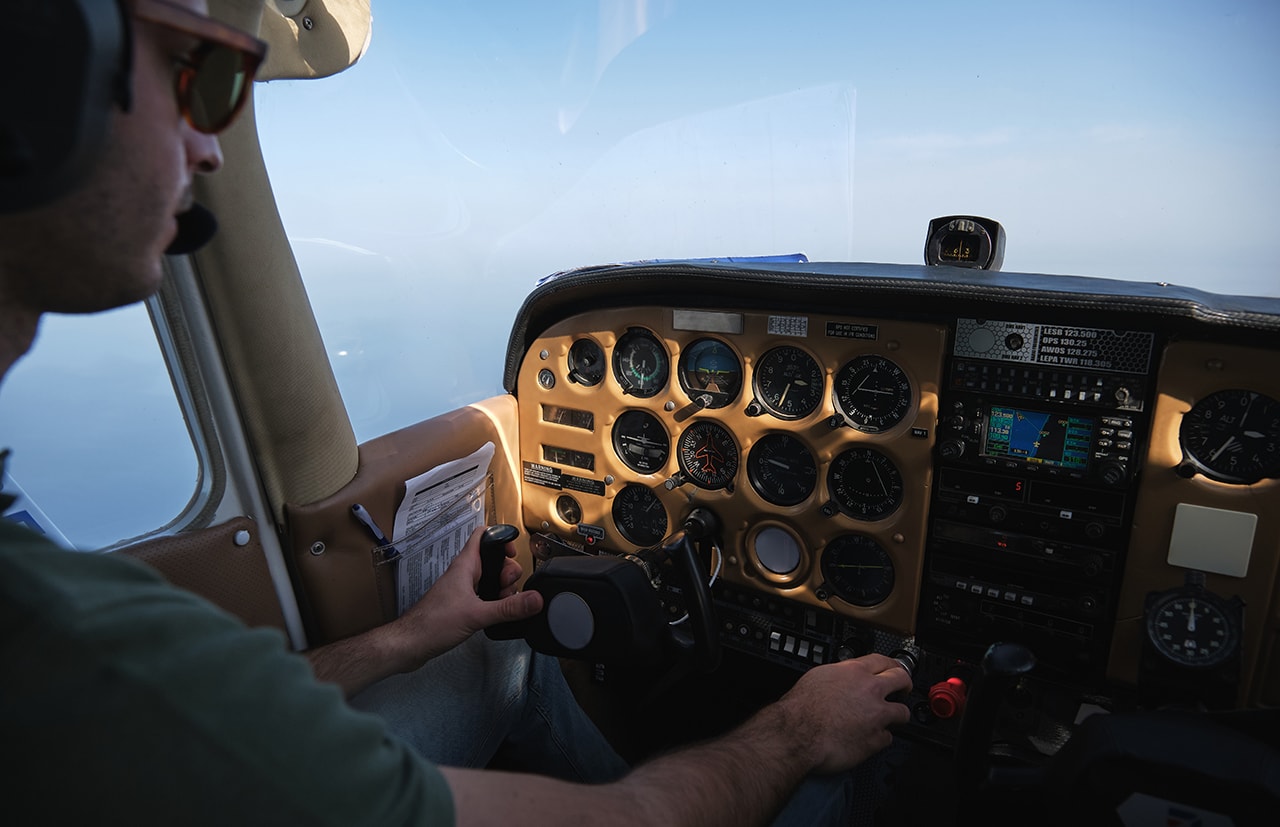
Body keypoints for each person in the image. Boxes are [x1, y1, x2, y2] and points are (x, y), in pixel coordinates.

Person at [0, 1, 912, 824]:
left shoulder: (55, 608)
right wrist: (795, 730)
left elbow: (205, 710)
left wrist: (410, 634)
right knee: (850, 767)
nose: (211, 149)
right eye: (200, 74)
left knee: (496, 656)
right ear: (41, 67)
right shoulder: (58, 644)